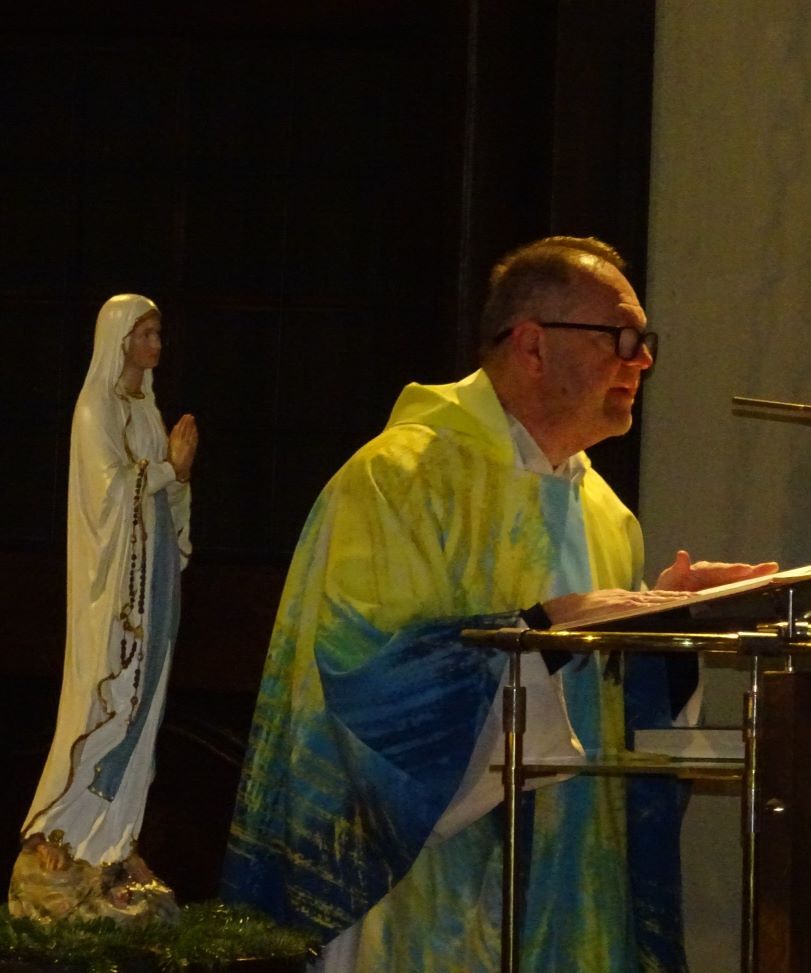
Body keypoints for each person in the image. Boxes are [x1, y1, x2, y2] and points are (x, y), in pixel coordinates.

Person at [222, 237, 775, 971]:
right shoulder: (397, 479)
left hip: (568, 889)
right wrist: (541, 633)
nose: (641, 359)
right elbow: (361, 695)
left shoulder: (606, 514)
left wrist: (662, 630)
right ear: (532, 345)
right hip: (426, 895)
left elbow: (607, 723)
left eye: (645, 341)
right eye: (620, 337)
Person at [9, 294, 198, 923]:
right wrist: (168, 468)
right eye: (145, 334)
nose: (155, 346)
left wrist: (177, 476)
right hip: (115, 588)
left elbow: (159, 489)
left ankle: (116, 842)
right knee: (103, 698)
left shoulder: (144, 407)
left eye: (158, 333)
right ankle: (57, 826)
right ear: (118, 339)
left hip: (154, 572)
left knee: (146, 706)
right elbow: (111, 492)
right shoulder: (95, 409)